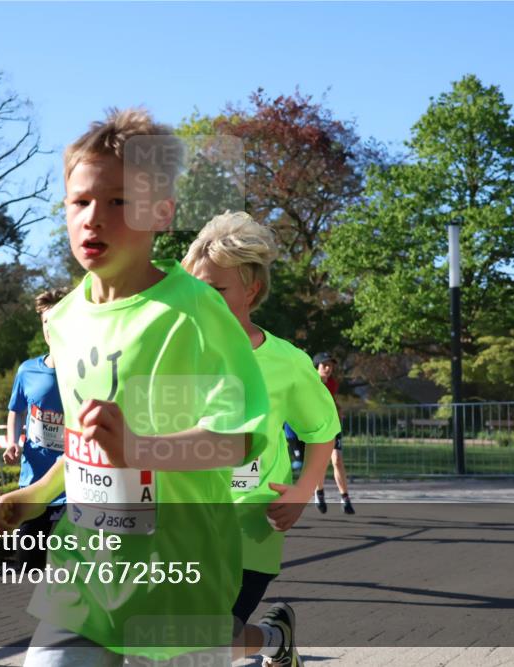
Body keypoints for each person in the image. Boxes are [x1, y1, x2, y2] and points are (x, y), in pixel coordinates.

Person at [0, 108, 270, 666]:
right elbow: (86, 442)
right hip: (83, 570)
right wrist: (37, 493)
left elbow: (237, 442)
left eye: (118, 202)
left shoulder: (195, 313)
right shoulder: (64, 319)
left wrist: (139, 450)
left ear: (162, 213)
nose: (93, 219)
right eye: (81, 201)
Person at [183, 211, 340, 667]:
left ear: (251, 290)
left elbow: (321, 431)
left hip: (252, 521)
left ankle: (272, 638)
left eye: (218, 290)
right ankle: (274, 638)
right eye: (197, 289)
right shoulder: (173, 352)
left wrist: (302, 491)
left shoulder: (287, 361)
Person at [3, 287, 70, 569]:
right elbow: (15, 410)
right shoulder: (27, 370)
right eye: (46, 323)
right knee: (28, 566)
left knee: (67, 567)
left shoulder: (87, 372)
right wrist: (12, 441)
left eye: (58, 321)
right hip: (33, 482)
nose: (52, 329)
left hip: (72, 485)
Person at [312, 352, 355, 515]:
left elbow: (330, 400)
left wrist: (337, 408)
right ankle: (319, 492)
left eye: (331, 365)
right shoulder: (310, 383)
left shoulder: (332, 384)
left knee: (337, 460)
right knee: (321, 463)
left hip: (332, 426)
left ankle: (345, 498)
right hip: (316, 428)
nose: (329, 368)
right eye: (325, 365)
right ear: (317, 367)